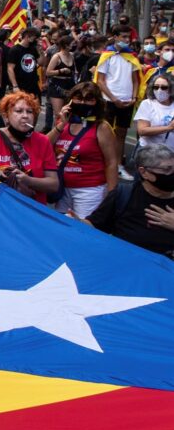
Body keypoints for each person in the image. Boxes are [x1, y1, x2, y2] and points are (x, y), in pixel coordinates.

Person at [86, 144, 174, 258]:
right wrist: (74, 221)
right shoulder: (124, 195)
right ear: (144, 172)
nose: (172, 172)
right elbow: (95, 225)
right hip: (127, 267)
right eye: (167, 169)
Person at [47, 82, 118, 218]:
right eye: (78, 98)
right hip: (63, 189)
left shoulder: (102, 127)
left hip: (89, 191)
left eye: (89, 99)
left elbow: (111, 163)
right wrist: (61, 124)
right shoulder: (63, 123)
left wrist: (111, 195)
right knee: (62, 229)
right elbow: (43, 146)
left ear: (96, 102)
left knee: (84, 230)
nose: (82, 102)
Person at [96, 25, 140, 177]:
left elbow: (135, 81)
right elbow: (100, 81)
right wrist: (114, 99)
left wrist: (133, 98)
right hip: (109, 100)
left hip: (127, 101)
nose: (127, 40)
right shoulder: (106, 55)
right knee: (105, 132)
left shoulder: (132, 56)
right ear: (115, 37)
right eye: (123, 37)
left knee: (121, 133)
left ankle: (119, 165)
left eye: (128, 37)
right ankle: (104, 163)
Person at [134, 73, 174, 153]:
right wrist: (168, 128)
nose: (159, 90)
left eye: (164, 87)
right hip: (149, 153)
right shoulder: (147, 104)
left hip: (170, 153)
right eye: (156, 87)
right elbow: (142, 131)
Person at [45, 34, 77, 132]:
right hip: (57, 85)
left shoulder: (72, 55)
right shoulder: (56, 56)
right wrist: (61, 71)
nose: (74, 45)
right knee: (58, 114)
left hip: (69, 85)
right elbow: (48, 72)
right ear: (66, 45)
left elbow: (75, 70)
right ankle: (56, 135)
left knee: (67, 112)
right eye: (72, 44)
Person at [6, 26, 42, 99]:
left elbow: (41, 63)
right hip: (20, 85)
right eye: (34, 37)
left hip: (33, 85)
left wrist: (41, 51)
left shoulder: (33, 49)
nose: (35, 40)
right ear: (27, 36)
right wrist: (15, 86)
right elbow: (10, 69)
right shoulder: (14, 50)